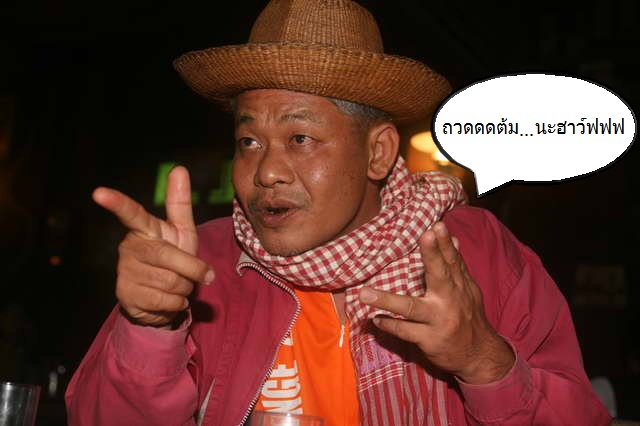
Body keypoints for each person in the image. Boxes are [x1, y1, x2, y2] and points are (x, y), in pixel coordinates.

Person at [65, 1, 611, 425]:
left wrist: (483, 361)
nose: (266, 171)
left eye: (300, 138)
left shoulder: (479, 251)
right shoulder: (196, 263)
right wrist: (150, 330)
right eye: (249, 141)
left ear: (378, 152)